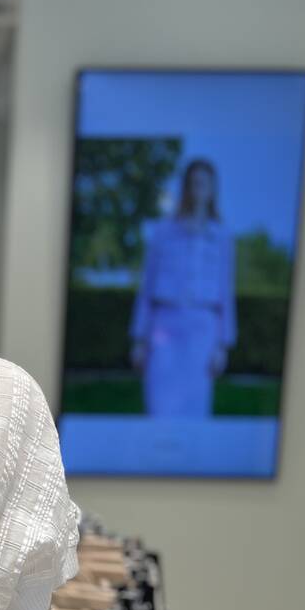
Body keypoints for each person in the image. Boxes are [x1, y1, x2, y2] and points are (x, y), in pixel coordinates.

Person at [129, 157, 237, 417]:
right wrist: (140, 339)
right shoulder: (163, 232)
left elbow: (226, 292)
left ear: (213, 189)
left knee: (195, 409)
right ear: (186, 187)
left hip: (202, 330)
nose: (199, 188)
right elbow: (147, 288)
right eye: (194, 182)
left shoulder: (221, 237)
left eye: (205, 183)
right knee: (159, 406)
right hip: (164, 326)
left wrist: (222, 345)